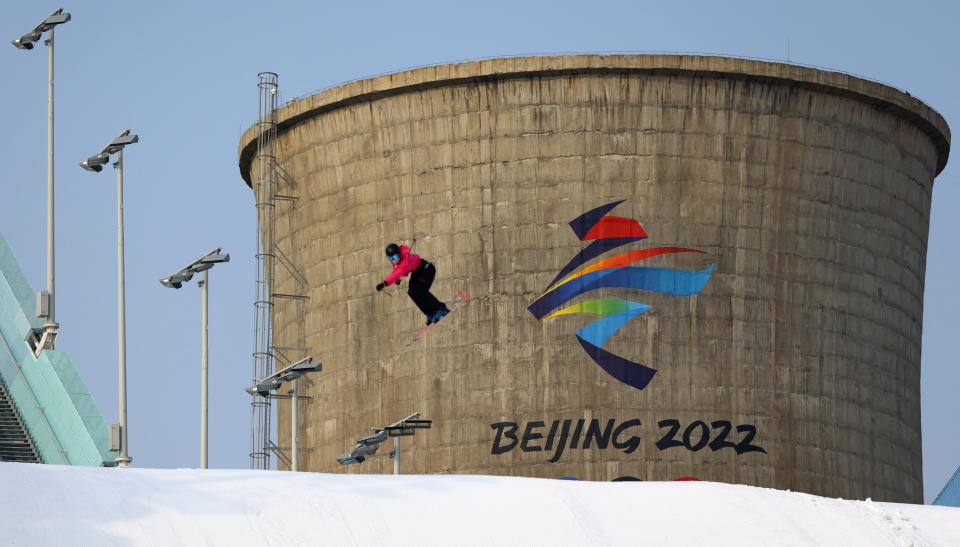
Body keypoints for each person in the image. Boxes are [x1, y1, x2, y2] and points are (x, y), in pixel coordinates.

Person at [376, 242, 450, 325]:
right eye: (391, 258)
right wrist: (397, 279)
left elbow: (397, 272)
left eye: (395, 256)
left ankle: (440, 308)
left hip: (426, 270)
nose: (394, 259)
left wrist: (384, 283)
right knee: (411, 292)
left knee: (420, 290)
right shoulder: (395, 261)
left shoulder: (405, 261)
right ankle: (430, 313)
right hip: (417, 272)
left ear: (399, 253)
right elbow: (396, 270)